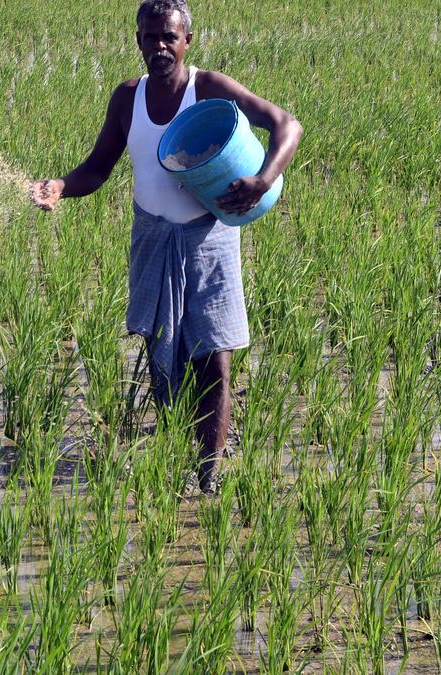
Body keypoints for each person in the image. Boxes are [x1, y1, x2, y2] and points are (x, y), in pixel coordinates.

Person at [29, 0, 302, 494]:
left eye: (169, 37)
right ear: (138, 40)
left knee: (214, 359)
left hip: (209, 238)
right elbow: (97, 168)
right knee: (161, 357)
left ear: (186, 42)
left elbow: (287, 124)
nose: (159, 46)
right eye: (150, 36)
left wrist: (263, 179)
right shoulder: (127, 99)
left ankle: (209, 475)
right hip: (152, 238)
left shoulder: (208, 89)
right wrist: (61, 186)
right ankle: (176, 454)